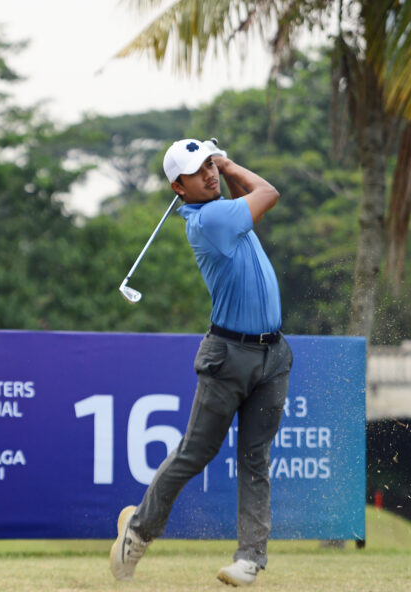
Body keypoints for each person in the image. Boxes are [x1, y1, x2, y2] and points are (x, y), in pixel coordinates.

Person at [110, 139, 294, 587]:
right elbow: (268, 192)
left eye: (211, 165)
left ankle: (250, 559)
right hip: (228, 356)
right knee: (196, 452)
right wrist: (231, 162)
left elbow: (252, 198)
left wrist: (219, 166)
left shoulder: (224, 209)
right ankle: (137, 533)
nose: (210, 174)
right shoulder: (209, 219)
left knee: (256, 459)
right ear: (179, 187)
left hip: (273, 355)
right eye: (199, 171)